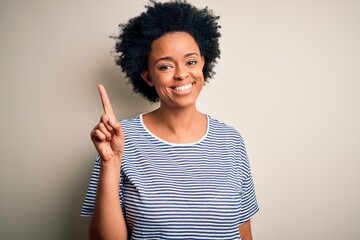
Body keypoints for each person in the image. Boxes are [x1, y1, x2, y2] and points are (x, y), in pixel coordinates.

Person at [81, 1, 259, 239]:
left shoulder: (231, 141)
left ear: (203, 63)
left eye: (191, 61)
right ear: (148, 77)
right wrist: (111, 163)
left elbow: (243, 233)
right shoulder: (119, 140)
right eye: (165, 66)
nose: (181, 74)